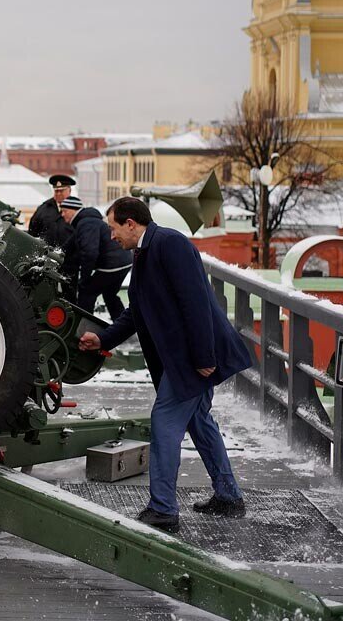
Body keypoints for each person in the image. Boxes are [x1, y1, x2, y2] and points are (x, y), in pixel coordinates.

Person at [77, 196, 251, 534]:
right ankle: (229, 496)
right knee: (199, 422)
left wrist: (204, 359)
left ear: (131, 224)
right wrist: (104, 339)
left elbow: (196, 303)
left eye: (113, 229)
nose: (111, 237)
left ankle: (163, 510)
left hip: (192, 358)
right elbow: (137, 310)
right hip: (185, 357)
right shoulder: (143, 251)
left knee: (164, 421)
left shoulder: (170, 244)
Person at [58, 196, 131, 320]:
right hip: (124, 261)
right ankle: (123, 325)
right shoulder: (87, 221)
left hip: (111, 264)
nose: (62, 215)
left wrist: (85, 278)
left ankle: (82, 327)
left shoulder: (86, 223)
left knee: (86, 293)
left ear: (73, 210)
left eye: (64, 211)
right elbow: (70, 245)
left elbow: (90, 252)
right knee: (110, 294)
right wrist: (58, 253)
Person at [29, 174, 76, 250]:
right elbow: (32, 231)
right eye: (56, 191)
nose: (58, 194)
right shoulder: (43, 209)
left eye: (61, 191)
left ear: (69, 190)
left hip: (69, 255)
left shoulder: (76, 209)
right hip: (47, 254)